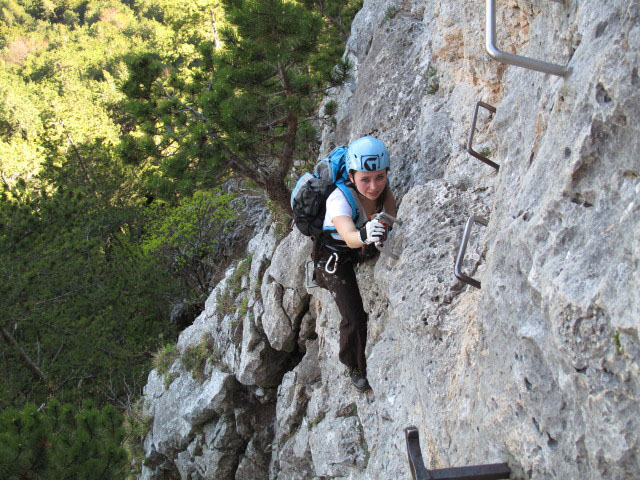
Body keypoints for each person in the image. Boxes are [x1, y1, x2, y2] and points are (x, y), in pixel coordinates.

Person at [313, 136, 397, 392]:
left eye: (379, 177)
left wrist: (382, 229)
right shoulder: (338, 199)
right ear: (351, 175)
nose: (374, 186)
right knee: (354, 316)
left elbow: (390, 211)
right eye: (365, 179)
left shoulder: (382, 187)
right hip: (332, 258)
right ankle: (354, 366)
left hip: (358, 248)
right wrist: (363, 236)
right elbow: (348, 234)